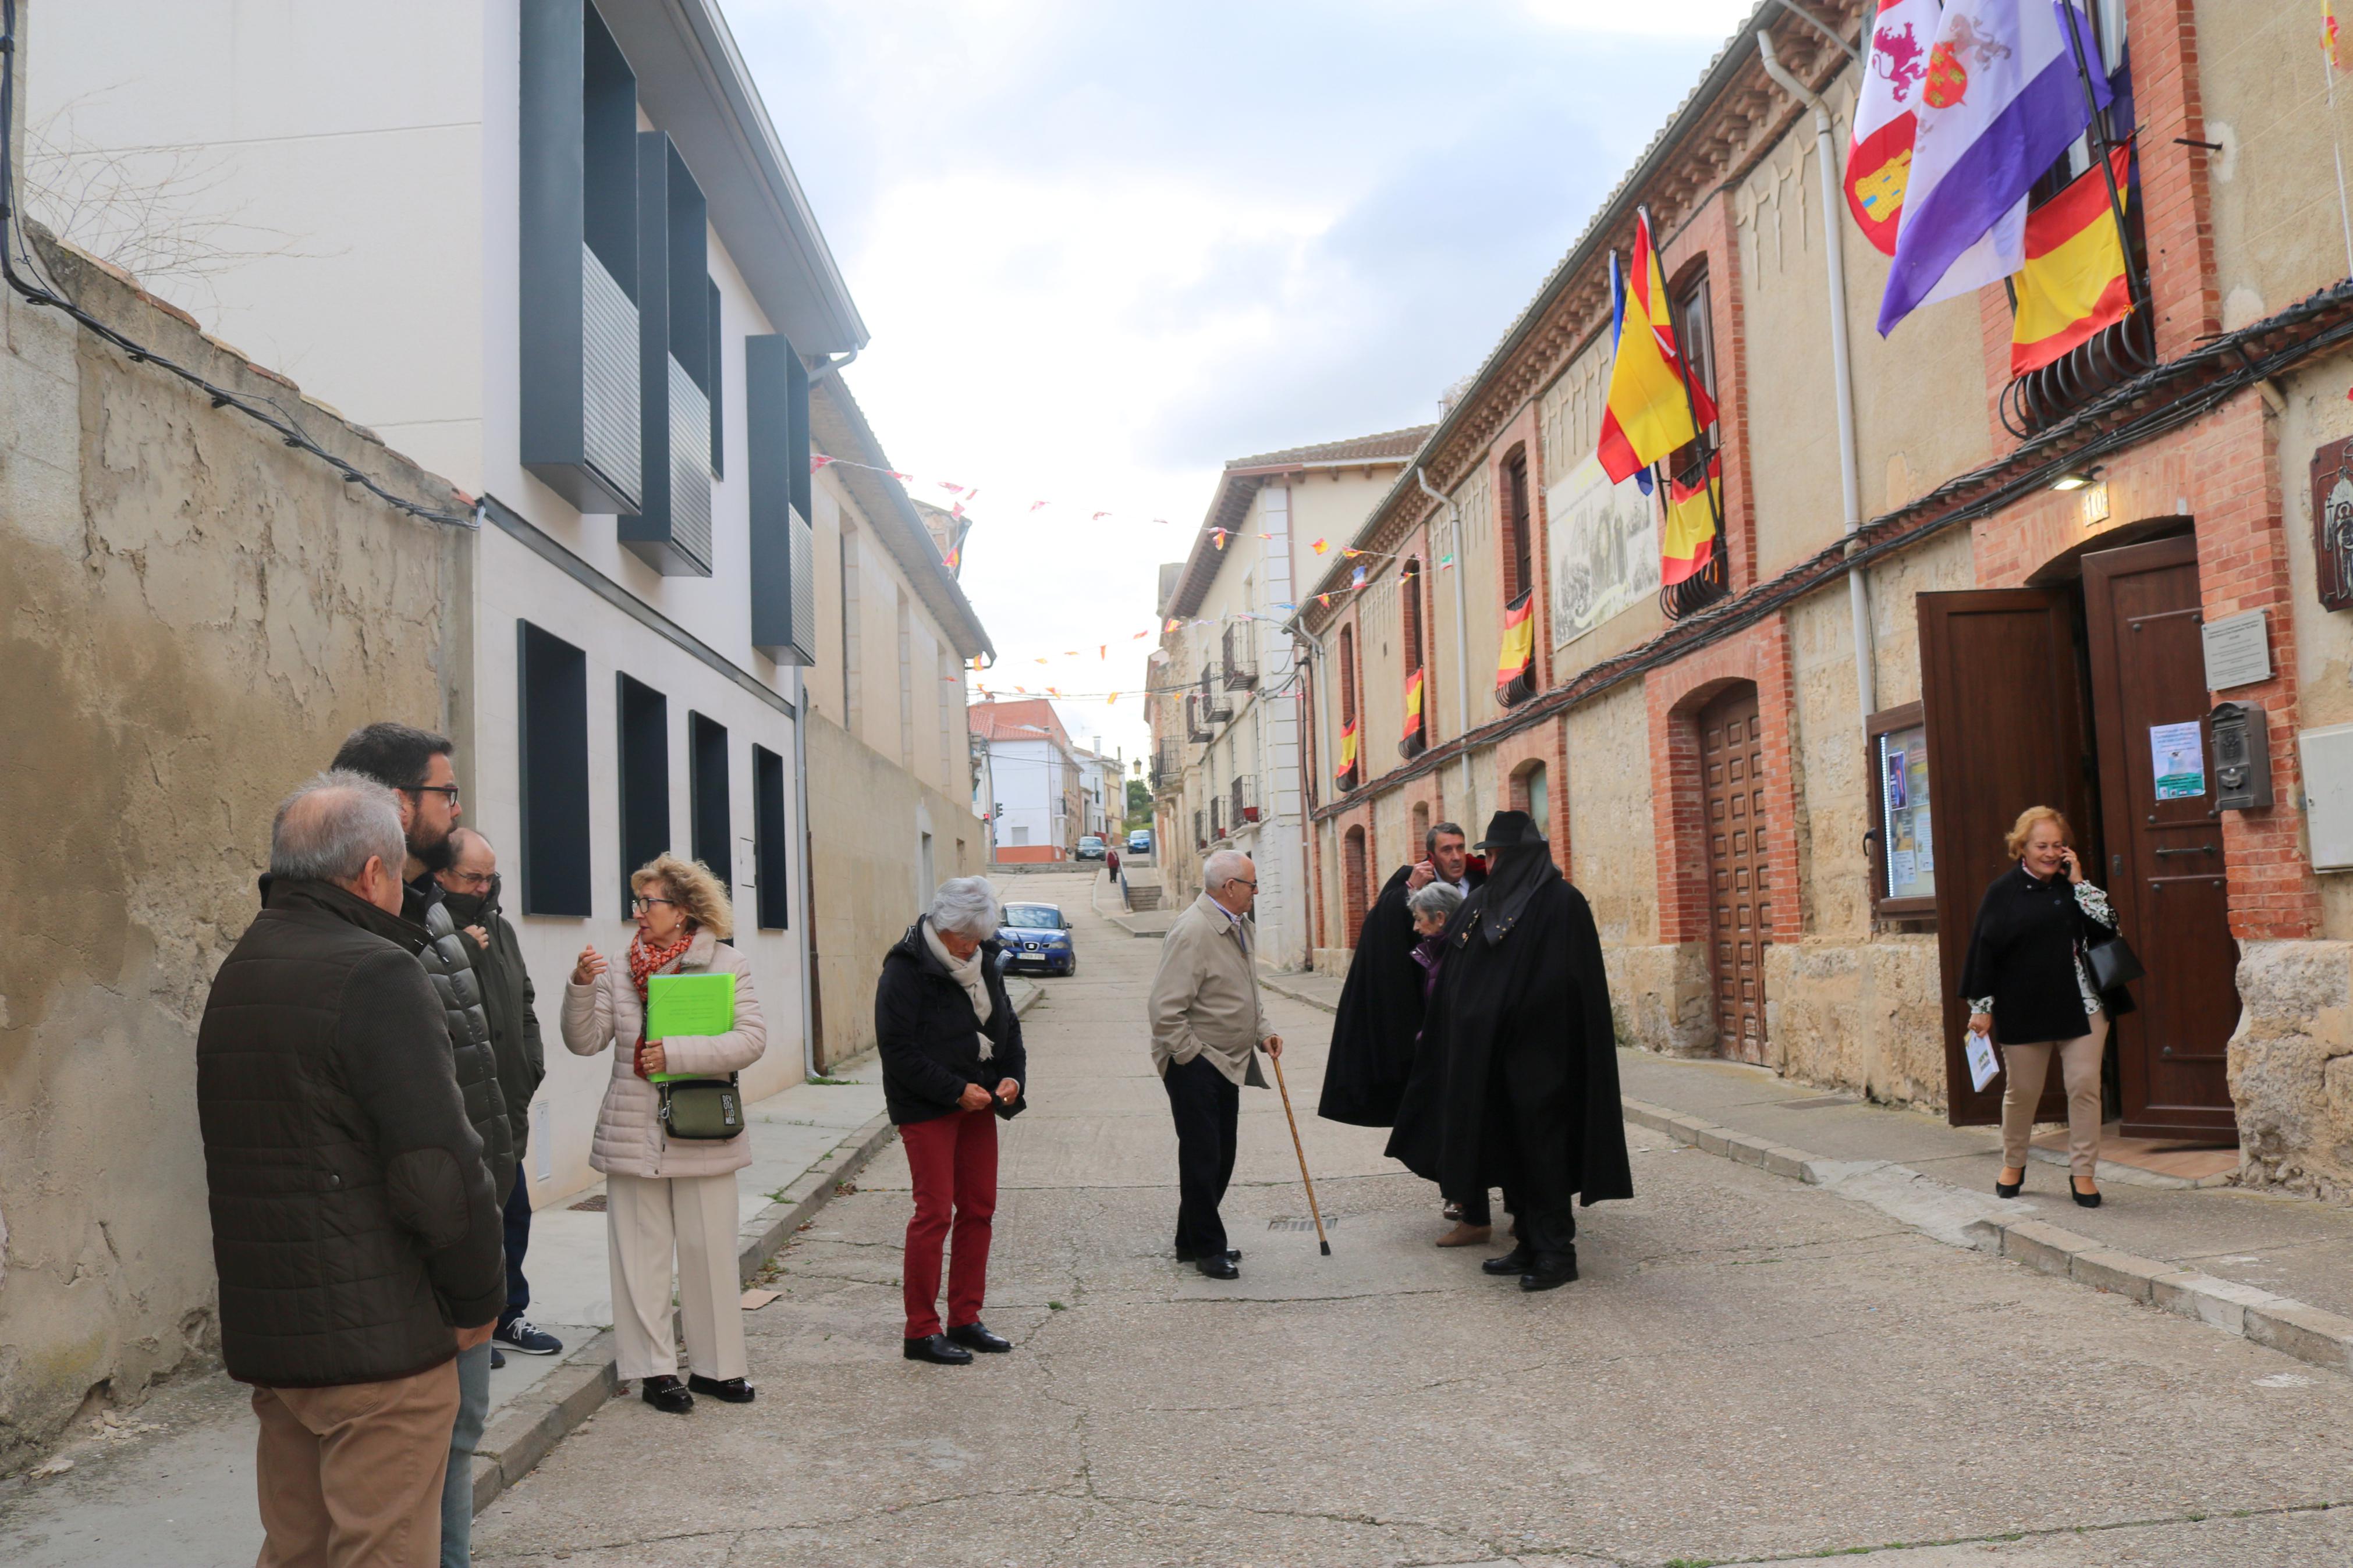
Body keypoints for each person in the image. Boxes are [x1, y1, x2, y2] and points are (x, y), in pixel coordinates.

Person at [197, 773, 506, 1568]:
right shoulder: (376, 971)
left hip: (282, 1340)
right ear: (372, 872)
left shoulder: (243, 966)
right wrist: (478, 1295)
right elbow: (435, 1165)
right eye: (399, 870)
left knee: (297, 1548)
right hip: (380, 1345)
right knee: (383, 1550)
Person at [329, 722, 512, 1568]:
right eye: (445, 791)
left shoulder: (431, 915)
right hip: (417, 1251)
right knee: (408, 1468)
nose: (457, 804)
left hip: (461, 1223)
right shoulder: (361, 939)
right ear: (397, 804)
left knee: (460, 1438)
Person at [563, 855, 767, 1413]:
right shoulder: (613, 969)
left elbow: (750, 1040)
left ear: (682, 911)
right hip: (633, 1131)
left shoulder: (727, 963)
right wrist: (581, 986)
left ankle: (718, 1369)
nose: (639, 912)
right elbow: (585, 1041)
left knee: (710, 1253)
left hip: (701, 1129)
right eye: (638, 902)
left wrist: (674, 1052)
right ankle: (654, 1371)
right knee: (640, 1257)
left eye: (649, 902)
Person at [1403, 810, 1631, 1291]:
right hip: (1492, 1060)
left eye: (1500, 854)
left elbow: (1571, 984)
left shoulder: (1560, 904)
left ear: (1526, 856)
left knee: (1544, 1153)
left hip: (1544, 1060)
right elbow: (1459, 974)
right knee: (1509, 1150)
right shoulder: (1484, 902)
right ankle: (1526, 1240)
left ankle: (1555, 1251)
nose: (1492, 861)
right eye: (1488, 854)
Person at [876, 877, 1028, 1365]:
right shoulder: (905, 968)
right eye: (965, 938)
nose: (973, 946)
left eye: (978, 937)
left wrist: (1011, 1077)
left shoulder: (985, 959)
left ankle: (966, 1317)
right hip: (927, 1106)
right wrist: (953, 1090)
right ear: (943, 928)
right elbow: (897, 1049)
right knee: (935, 1213)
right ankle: (920, 1330)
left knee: (979, 1208)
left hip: (978, 1102)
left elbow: (1008, 1024)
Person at [1961, 806, 2134, 1209]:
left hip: (2083, 1003)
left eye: (2058, 845)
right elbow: (1983, 952)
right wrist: (1981, 1007)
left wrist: (2079, 881)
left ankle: (2083, 1173)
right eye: (2042, 845)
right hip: (2025, 1004)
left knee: (2084, 1086)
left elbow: (2109, 926)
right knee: (2022, 1092)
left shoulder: (2073, 887)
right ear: (2021, 846)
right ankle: (2013, 1162)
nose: (2051, 852)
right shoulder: (2001, 892)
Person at [434, 829, 562, 1365]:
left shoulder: (500, 928)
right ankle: (470, 1330)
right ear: (441, 875)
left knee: (514, 1215)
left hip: (507, 1099)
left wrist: (532, 1063)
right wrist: (457, 947)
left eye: (491, 876)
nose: (485, 887)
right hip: (460, 1105)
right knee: (466, 1225)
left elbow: (524, 1000)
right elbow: (423, 995)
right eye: (473, 877)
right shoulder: (426, 926)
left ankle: (509, 1314)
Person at [1147, 849, 1283, 1279]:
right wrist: (1191, 1057)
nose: (1255, 891)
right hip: (1198, 1061)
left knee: (1221, 1155)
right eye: (1250, 884)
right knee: (1204, 1157)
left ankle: (1189, 1240)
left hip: (1229, 1060)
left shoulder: (1237, 926)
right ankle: (1209, 1248)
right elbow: (1164, 1010)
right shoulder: (1193, 930)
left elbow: (1244, 990)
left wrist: (1262, 1031)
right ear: (1229, 887)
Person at [1319, 822, 1486, 1129]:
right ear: (1432, 856)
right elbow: (1379, 929)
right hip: (1419, 995)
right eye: (1447, 850)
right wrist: (1408, 890)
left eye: (1461, 848)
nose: (1457, 857)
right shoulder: (1410, 882)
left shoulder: (1482, 881)